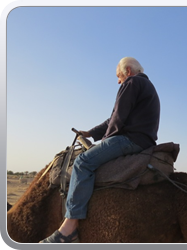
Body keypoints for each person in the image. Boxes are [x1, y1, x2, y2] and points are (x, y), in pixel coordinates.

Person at [40, 57, 161, 243]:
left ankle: (69, 228)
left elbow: (118, 119)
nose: (118, 81)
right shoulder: (146, 86)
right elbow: (113, 118)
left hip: (130, 140)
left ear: (128, 71)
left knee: (83, 162)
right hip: (143, 140)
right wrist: (90, 133)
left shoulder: (132, 82)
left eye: (118, 76)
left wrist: (104, 142)